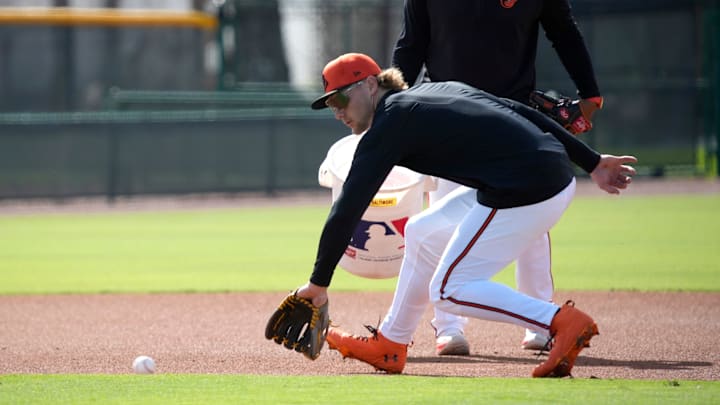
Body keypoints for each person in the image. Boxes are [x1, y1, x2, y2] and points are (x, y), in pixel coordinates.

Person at [297, 52, 636, 377]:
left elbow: (348, 208)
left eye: (338, 100)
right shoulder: (433, 90)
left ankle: (559, 321)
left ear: (370, 85)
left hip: (528, 189)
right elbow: (518, 109)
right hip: (537, 175)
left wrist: (318, 284)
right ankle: (390, 343)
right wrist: (590, 161)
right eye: (328, 104)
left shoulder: (390, 124)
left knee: (448, 290)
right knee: (422, 232)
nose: (335, 111)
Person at [390, 0, 605, 355]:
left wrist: (590, 92)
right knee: (443, 217)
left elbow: (564, 31)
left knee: (530, 225)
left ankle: (540, 324)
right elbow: (410, 45)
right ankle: (449, 327)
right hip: (446, 113)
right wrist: (390, 107)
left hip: (513, 115)